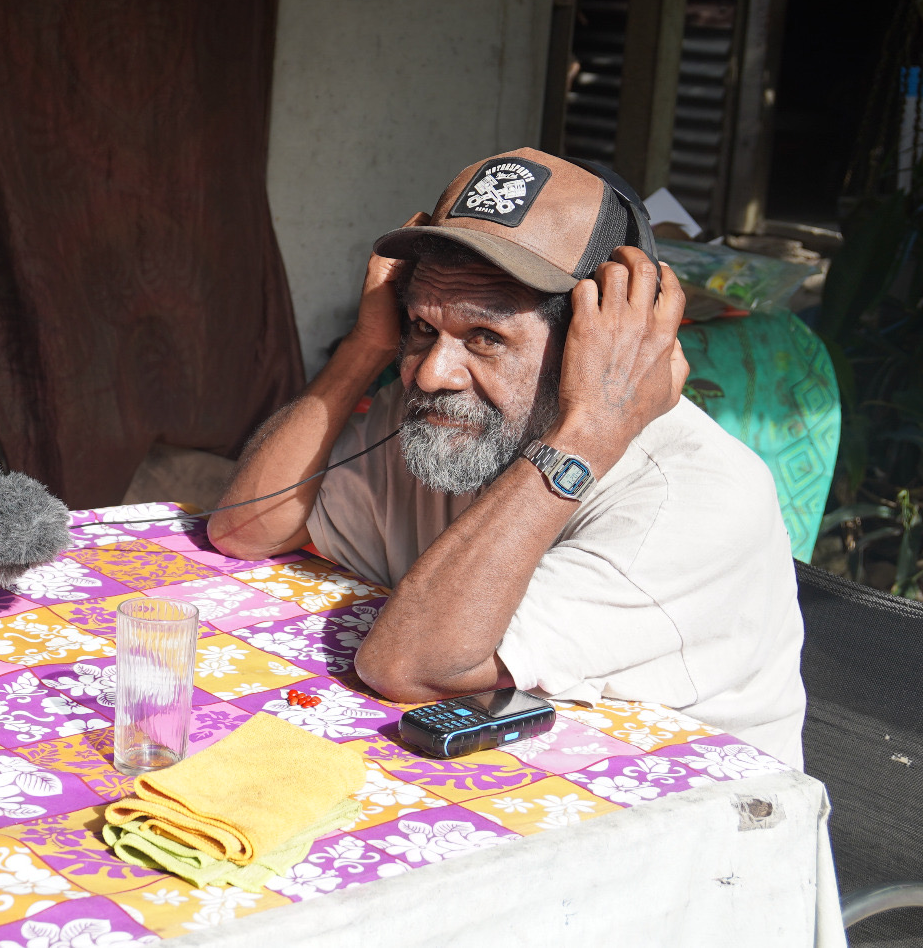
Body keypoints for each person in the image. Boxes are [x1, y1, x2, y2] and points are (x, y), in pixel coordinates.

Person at [208, 148, 805, 766]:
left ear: (590, 342)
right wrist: (367, 346)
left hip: (688, 831)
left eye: (485, 338)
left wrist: (585, 434)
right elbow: (246, 527)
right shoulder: (443, 406)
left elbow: (406, 665)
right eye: (421, 327)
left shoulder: (694, 498)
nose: (434, 372)